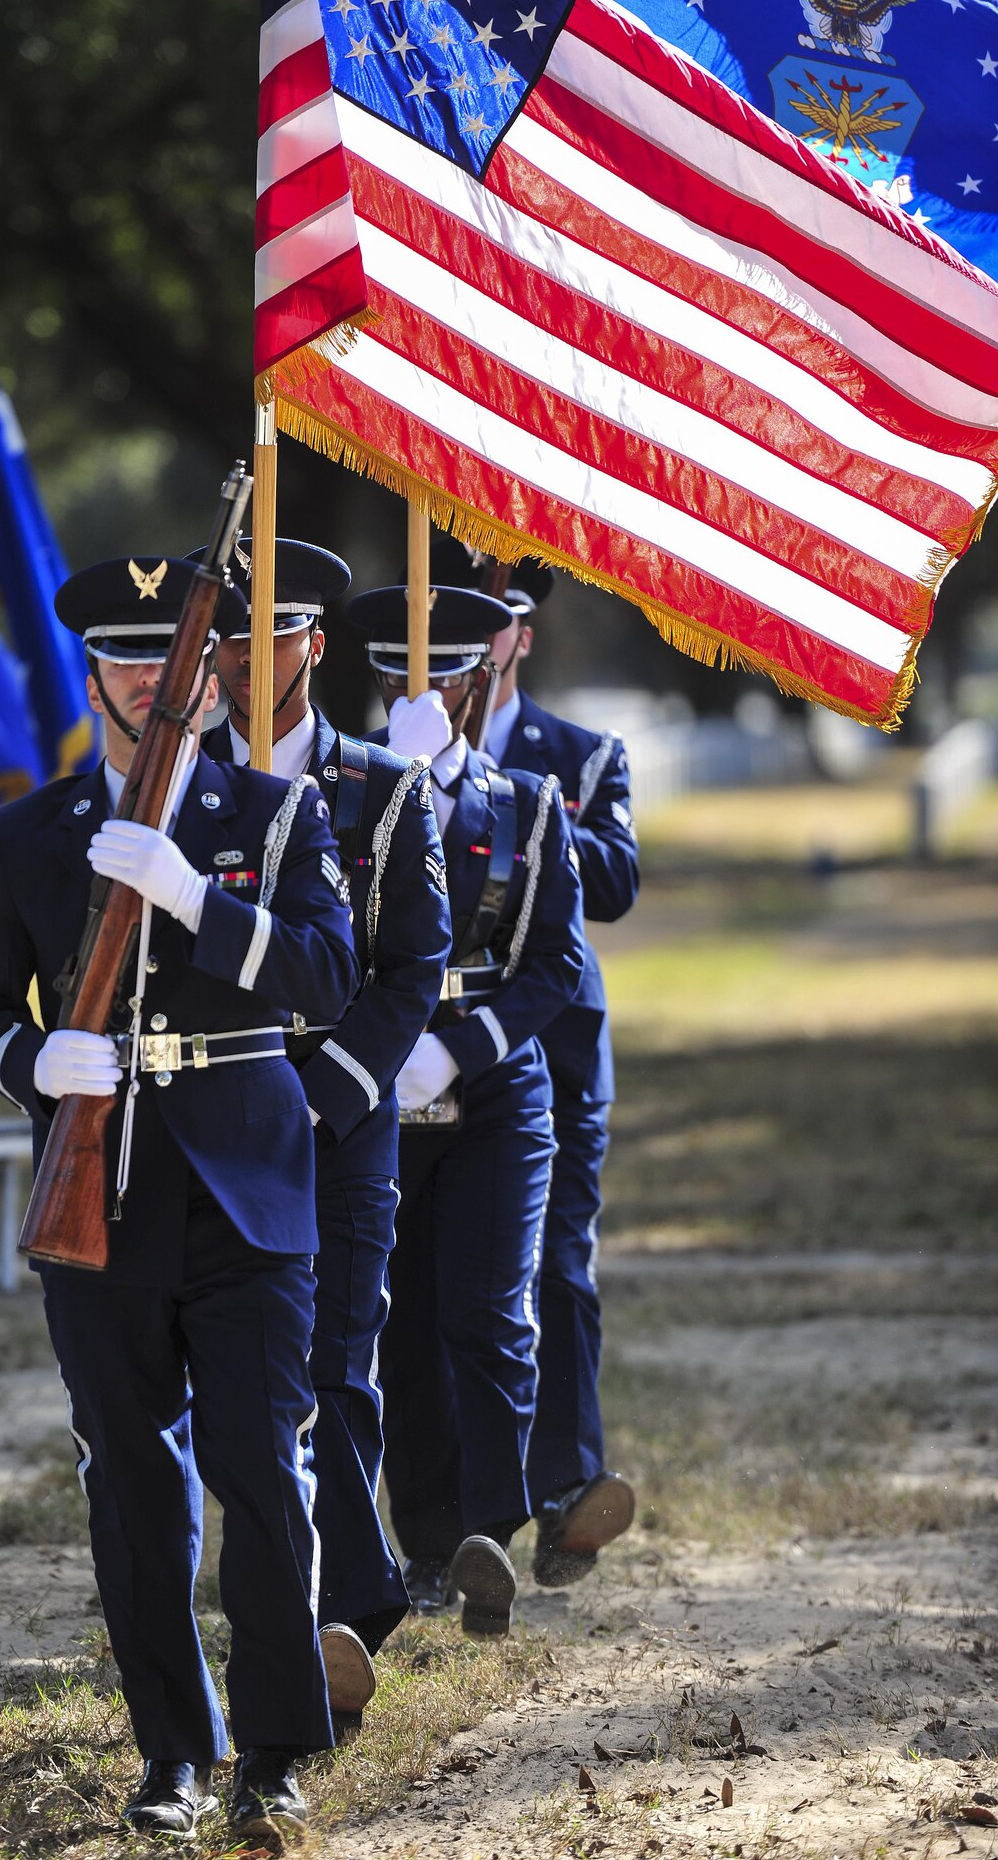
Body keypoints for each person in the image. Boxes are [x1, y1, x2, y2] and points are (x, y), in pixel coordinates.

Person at [0, 555, 361, 1841]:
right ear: (93, 676)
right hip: (101, 1191)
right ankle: (175, 1750)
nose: (148, 674)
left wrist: (191, 896)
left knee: (260, 1471)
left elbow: (328, 977)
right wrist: (32, 1063)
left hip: (245, 1193)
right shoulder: (25, 835)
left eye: (167, 650)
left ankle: (276, 1747)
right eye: (124, 656)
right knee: (130, 1479)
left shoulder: (277, 819)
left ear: (212, 666)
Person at [194, 534, 451, 1731]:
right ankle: (305, 1599)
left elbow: (412, 969)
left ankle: (341, 1609)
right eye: (230, 634)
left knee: (335, 1364)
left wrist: (328, 1091)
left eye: (274, 632)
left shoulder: (378, 792)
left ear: (318, 644)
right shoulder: (179, 791)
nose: (248, 655)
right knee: (236, 1387)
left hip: (334, 1124)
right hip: (205, 1132)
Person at [345, 583, 585, 1639]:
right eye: (403, 673)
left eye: (444, 671)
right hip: (379, 1087)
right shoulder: (339, 798)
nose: (426, 690)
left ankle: (493, 1526)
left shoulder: (527, 803)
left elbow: (552, 967)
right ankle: (428, 1541)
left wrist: (456, 1045)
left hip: (491, 1088)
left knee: (488, 1313)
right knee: (397, 1322)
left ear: (477, 677)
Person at [424, 535, 641, 1588]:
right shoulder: (394, 749)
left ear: (520, 630)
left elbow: (615, 882)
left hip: (550, 1042)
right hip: (430, 1039)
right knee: (433, 1274)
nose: (478, 633)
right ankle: (458, 1512)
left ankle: (563, 1491)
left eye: (494, 612)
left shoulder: (580, 754)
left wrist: (502, 799)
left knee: (555, 1262)